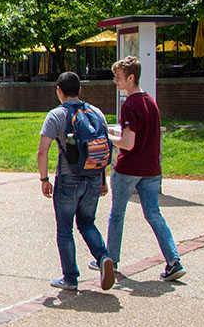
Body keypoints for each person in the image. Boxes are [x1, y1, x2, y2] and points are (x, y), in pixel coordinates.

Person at [103, 55, 185, 281]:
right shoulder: (150, 101)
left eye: (118, 77)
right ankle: (173, 260)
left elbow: (128, 144)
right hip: (151, 169)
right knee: (153, 214)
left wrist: (107, 136)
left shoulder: (129, 105)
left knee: (117, 214)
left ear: (131, 77)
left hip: (129, 168)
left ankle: (111, 260)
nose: (115, 81)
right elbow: (140, 137)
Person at [37, 71, 116, 292]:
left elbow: (42, 151)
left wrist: (44, 179)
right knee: (87, 223)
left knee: (64, 229)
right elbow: (102, 146)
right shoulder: (96, 113)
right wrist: (102, 179)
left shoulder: (56, 115)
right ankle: (103, 258)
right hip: (93, 177)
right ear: (80, 90)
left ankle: (70, 278)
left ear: (59, 91)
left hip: (68, 178)